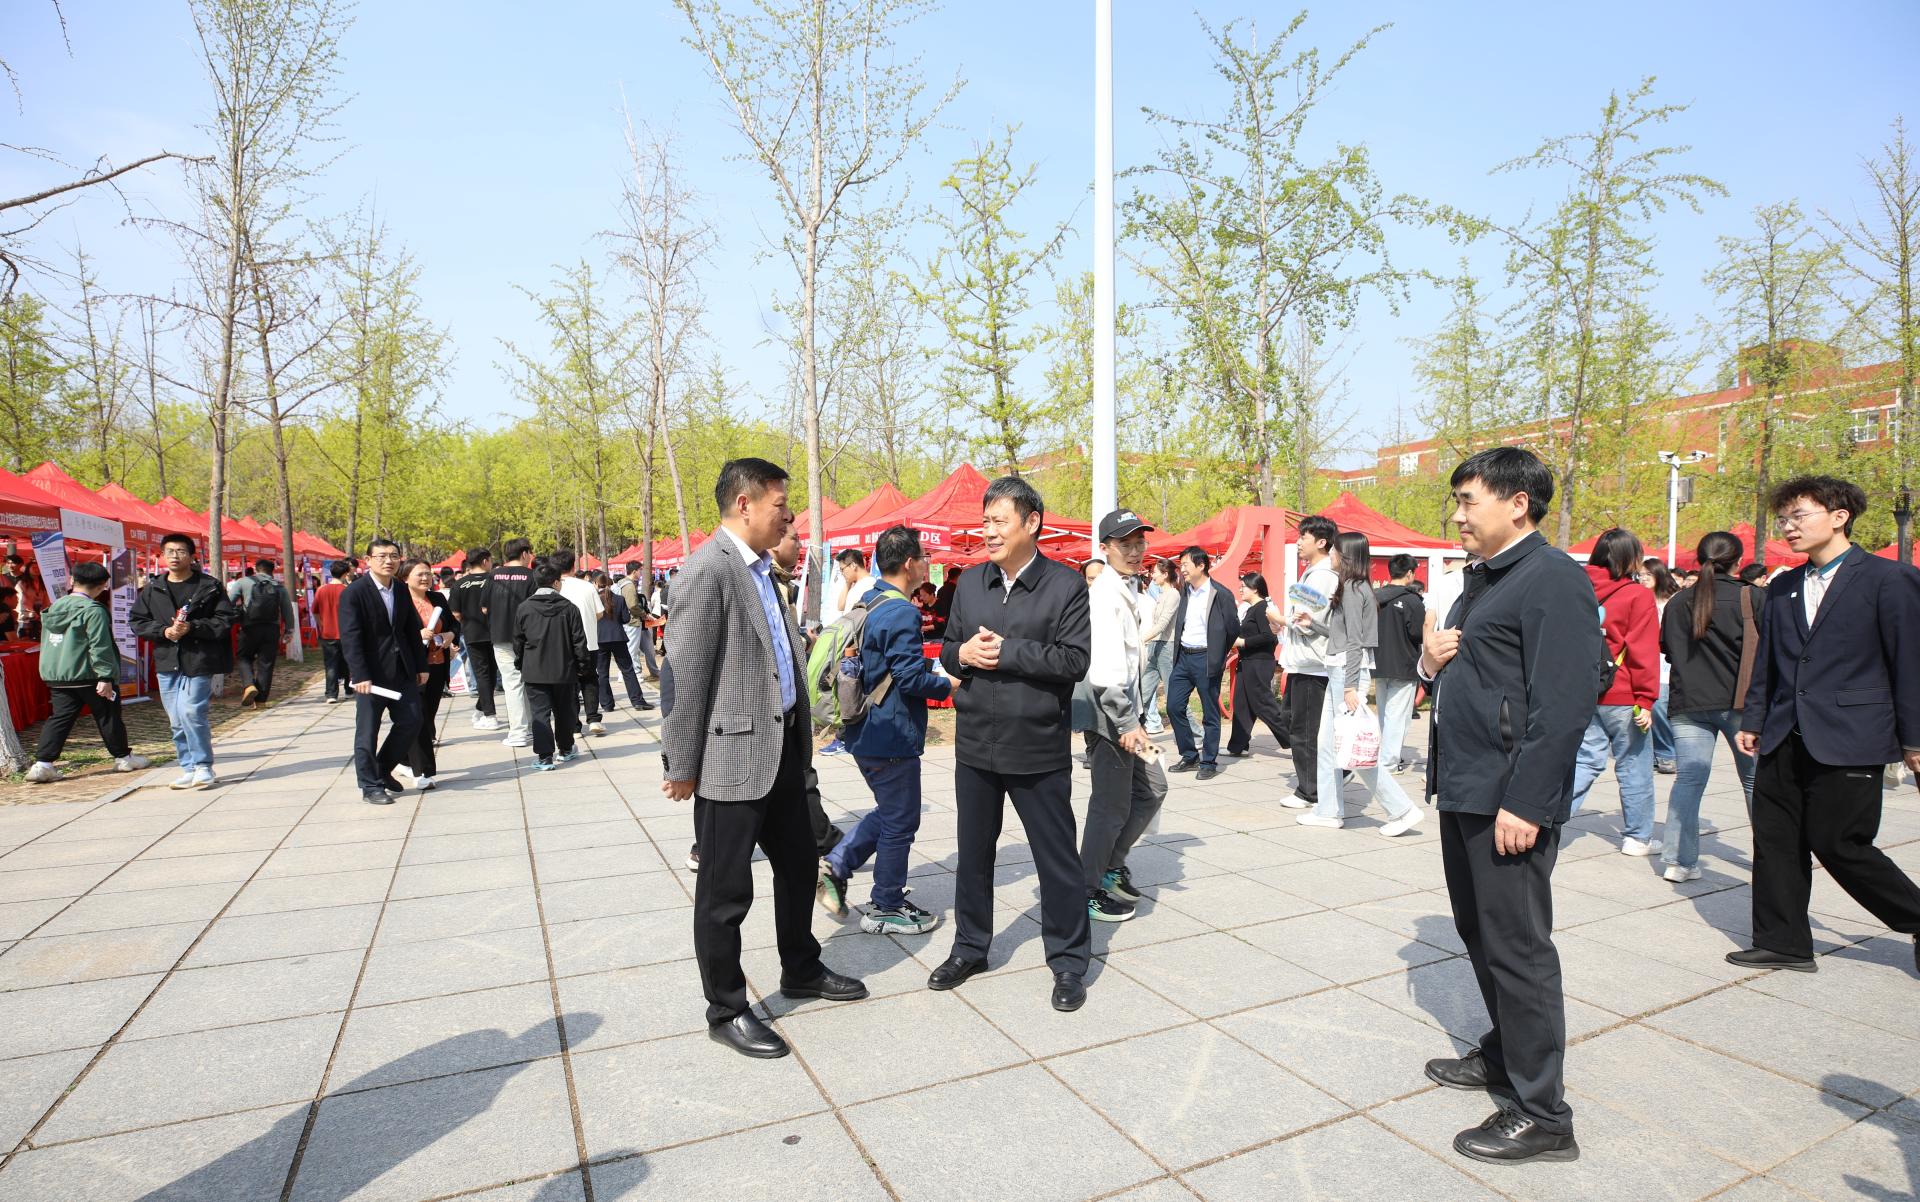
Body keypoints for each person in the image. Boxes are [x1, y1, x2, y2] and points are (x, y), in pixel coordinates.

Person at [1418, 447, 1598, 1165]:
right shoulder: (1484, 578)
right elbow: (1472, 672)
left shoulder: (1551, 578)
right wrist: (1429, 662)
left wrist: (1527, 801)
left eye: (1469, 500)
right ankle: (1505, 1054)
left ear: (1518, 503)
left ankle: (1543, 1113)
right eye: (1458, 501)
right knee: (1481, 932)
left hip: (1507, 797)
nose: (1458, 515)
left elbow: (1564, 704)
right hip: (1466, 785)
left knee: (1518, 948)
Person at [661, 458, 868, 1059]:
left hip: (781, 751)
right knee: (725, 893)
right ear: (744, 504)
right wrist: (681, 763)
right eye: (780, 505)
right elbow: (686, 676)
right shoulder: (708, 570)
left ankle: (801, 967)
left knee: (800, 867)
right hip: (731, 758)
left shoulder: (760, 569)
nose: (789, 515)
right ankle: (726, 1008)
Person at [1728, 475, 1920, 977]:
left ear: (1839, 517)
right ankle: (1784, 942)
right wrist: (1754, 718)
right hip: (1783, 732)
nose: (1788, 528)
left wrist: (1914, 739)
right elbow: (1768, 661)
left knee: (1841, 842)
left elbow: (1910, 663)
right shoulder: (1783, 586)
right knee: (1776, 839)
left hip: (1852, 734)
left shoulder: (1888, 579)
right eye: (1784, 519)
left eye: (1799, 516)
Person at [931, 475, 1093, 1012]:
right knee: (973, 855)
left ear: (1032, 522)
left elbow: (1074, 660)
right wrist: (962, 656)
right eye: (986, 522)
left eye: (999, 521)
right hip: (976, 744)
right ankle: (970, 948)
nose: (989, 531)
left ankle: (1068, 961)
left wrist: (1009, 651)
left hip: (1037, 746)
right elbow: (949, 649)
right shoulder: (971, 583)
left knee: (1056, 859)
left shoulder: (1065, 586)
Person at [816, 525, 951, 934]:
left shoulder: (872, 599)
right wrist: (948, 684)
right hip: (890, 733)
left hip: (865, 729)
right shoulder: (902, 611)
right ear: (910, 564)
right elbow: (909, 679)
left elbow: (887, 666)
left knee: (893, 811)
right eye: (924, 557)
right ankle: (886, 905)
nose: (927, 563)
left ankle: (837, 867)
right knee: (901, 820)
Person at [1297, 534, 1422, 837]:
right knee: (1330, 746)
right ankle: (1328, 811)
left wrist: (1351, 686)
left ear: (1346, 555)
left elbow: (1354, 642)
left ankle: (1402, 810)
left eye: (1335, 551)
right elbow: (1344, 635)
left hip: (1346, 675)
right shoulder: (1354, 587)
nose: (1332, 555)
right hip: (1342, 672)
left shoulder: (1353, 589)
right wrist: (1313, 624)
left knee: (1353, 749)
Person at [1079, 510, 1169, 923]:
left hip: (1130, 716)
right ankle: (1086, 889)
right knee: (1110, 806)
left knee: (1154, 788)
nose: (1135, 552)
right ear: (1105, 548)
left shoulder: (1127, 587)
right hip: (1113, 718)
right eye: (1125, 545)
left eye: (1139, 544)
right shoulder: (1104, 595)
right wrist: (1128, 723)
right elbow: (1105, 672)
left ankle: (1110, 866)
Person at [1658, 531, 1758, 883]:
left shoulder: (1678, 602)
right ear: (1739, 561)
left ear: (1699, 560)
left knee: (1689, 780)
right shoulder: (1752, 597)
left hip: (1689, 701)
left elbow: (1668, 650)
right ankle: (1772, 857)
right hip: (1742, 703)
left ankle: (1679, 861)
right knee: (1754, 780)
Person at [1567, 529, 1662, 856]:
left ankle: (1551, 817)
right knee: (1634, 764)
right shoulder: (1637, 595)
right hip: (1623, 693)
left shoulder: (1575, 587)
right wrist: (1646, 698)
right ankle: (1638, 837)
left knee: (1584, 760)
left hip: (1581, 689)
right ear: (1630, 558)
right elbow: (1643, 650)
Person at [24, 562, 149, 782]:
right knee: (108, 715)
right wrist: (106, 676)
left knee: (60, 718)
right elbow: (100, 645)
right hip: (90, 674)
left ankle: (43, 764)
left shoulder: (54, 607)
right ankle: (123, 757)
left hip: (58, 675)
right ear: (102, 586)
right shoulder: (94, 610)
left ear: (72, 580)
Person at [129, 533, 236, 790]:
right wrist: (164, 631)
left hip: (198, 658)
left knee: (191, 711)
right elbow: (137, 621)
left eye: (181, 551)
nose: (175, 556)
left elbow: (225, 620)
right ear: (162, 556)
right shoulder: (153, 588)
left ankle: (203, 766)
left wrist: (193, 627)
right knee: (176, 719)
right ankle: (188, 768)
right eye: (170, 552)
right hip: (167, 660)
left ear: (191, 556)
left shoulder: (209, 587)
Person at [337, 538, 428, 805]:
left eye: (394, 556)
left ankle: (382, 768)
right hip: (371, 676)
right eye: (382, 556)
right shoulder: (354, 593)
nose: (388, 561)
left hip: (402, 669)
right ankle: (370, 786)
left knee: (412, 720)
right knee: (368, 732)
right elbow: (350, 637)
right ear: (368, 560)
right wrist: (359, 674)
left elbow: (410, 629)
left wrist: (420, 665)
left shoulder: (399, 589)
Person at [1280, 515, 1340, 808]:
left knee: (1304, 730)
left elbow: (1307, 622)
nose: (1298, 542)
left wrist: (1280, 619)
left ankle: (1311, 791)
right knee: (1295, 722)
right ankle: (1318, 782)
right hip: (1305, 662)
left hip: (1313, 664)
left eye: (1303, 537)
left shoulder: (1322, 576)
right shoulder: (1314, 573)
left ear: (1321, 542)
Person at [1164, 547, 1235, 779]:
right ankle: (1189, 755)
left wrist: (1217, 652)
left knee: (1210, 713)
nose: (1182, 569)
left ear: (1201, 565)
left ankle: (1208, 762)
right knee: (1174, 706)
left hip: (1206, 658)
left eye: (1186, 564)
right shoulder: (1185, 591)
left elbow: (1233, 628)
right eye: (1181, 564)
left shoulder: (1220, 593)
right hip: (1183, 657)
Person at [515, 560, 591, 772]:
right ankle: (565, 749)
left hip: (534, 669)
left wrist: (520, 663)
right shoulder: (569, 608)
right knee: (564, 711)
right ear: (556, 583)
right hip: (564, 669)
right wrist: (583, 665)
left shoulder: (524, 608)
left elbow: (518, 641)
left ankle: (545, 757)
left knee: (540, 713)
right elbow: (579, 641)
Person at [396, 559, 455, 790]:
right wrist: (417, 634)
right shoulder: (399, 601)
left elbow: (453, 624)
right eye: (419, 574)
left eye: (428, 574)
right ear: (405, 578)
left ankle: (403, 759)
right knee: (417, 717)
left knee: (428, 715)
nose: (425, 578)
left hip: (437, 664)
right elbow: (393, 633)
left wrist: (450, 635)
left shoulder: (438, 598)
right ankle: (422, 772)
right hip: (412, 667)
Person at [1224, 573, 1288, 759]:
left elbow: (1269, 637)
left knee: (1263, 705)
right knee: (1241, 705)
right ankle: (1237, 746)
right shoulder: (1252, 609)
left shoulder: (1263, 608)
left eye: (1243, 586)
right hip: (1247, 662)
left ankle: (1296, 742)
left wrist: (1243, 642)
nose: (1240, 589)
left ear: (1255, 588)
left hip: (1259, 663)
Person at [1372, 555, 1425, 776]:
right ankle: (1389, 763)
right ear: (1410, 573)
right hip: (1404, 664)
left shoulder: (1374, 597)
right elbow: (1418, 633)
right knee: (1398, 716)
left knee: (1384, 714)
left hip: (1378, 662)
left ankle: (1384, 756)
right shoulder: (1413, 600)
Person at [485, 540, 538, 749]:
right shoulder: (531, 576)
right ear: (524, 554)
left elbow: (484, 608)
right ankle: (527, 729)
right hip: (528, 637)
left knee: (512, 684)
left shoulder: (493, 575)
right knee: (529, 682)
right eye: (530, 553)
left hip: (501, 636)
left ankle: (519, 731)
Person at [228, 557, 296, 707]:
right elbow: (287, 610)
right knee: (266, 664)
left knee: (244, 657)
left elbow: (228, 602)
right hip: (272, 629)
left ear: (256, 568)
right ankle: (260, 702)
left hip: (249, 628)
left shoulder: (243, 582)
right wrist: (289, 631)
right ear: (272, 571)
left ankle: (249, 685)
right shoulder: (279, 587)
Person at [551, 550, 605, 736]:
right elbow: (599, 613)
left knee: (569, 685)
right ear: (573, 566)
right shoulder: (587, 586)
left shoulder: (554, 588)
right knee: (589, 680)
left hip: (563, 645)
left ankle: (574, 726)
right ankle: (594, 719)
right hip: (589, 642)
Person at [1639, 558, 1681, 773]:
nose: (1643, 579)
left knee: (1659, 707)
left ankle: (1667, 753)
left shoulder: (1673, 601)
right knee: (1646, 710)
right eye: (1640, 575)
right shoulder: (1639, 599)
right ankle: (1658, 754)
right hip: (1646, 660)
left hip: (1666, 662)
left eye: (1648, 574)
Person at [451, 549, 499, 730]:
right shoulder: (495, 580)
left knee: (483, 675)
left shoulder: (459, 584)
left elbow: (455, 613)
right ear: (485, 561)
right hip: (496, 633)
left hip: (472, 633)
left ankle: (485, 710)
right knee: (491, 674)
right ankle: (488, 714)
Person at [592, 571, 650, 712]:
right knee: (628, 670)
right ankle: (637, 701)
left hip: (599, 638)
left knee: (602, 673)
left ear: (596, 584)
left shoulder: (593, 600)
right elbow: (626, 619)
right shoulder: (619, 599)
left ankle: (607, 704)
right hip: (618, 637)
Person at [1138, 559, 1179, 737]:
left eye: (1155, 572)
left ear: (1165, 574)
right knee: (1142, 694)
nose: (1152, 575)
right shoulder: (1162, 594)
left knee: (1174, 697)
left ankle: (1196, 734)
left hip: (1166, 647)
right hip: (1155, 646)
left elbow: (1162, 624)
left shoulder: (1173, 595)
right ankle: (1132, 732)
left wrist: (1141, 639)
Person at [617, 560, 661, 680]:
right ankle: (631, 674)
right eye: (640, 570)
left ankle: (626, 674)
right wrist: (644, 615)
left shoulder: (622, 583)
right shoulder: (628, 585)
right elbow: (632, 605)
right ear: (634, 571)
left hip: (628, 621)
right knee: (632, 650)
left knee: (631, 649)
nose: (641, 573)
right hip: (632, 621)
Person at [314, 559, 350, 703]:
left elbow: (315, 611)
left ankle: (331, 694)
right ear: (346, 573)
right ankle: (349, 690)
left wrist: (321, 624)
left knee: (330, 664)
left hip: (327, 633)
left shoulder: (321, 590)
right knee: (349, 662)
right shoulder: (348, 590)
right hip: (346, 633)